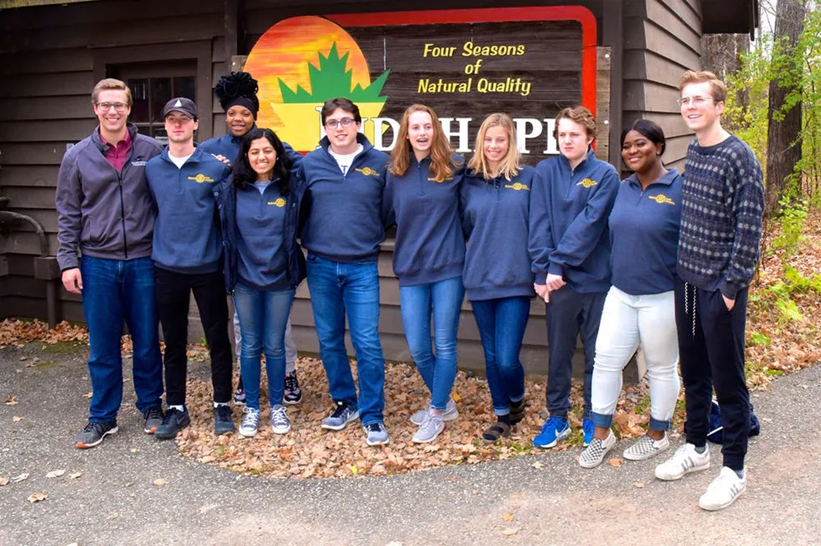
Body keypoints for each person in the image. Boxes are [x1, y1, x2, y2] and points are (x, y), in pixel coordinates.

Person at [654, 71, 764, 512]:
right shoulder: (694, 150)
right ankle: (697, 447)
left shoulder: (740, 157)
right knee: (693, 370)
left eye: (699, 99)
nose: (690, 106)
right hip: (687, 281)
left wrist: (733, 287)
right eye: (685, 100)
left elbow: (750, 227)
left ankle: (734, 469)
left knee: (727, 377)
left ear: (719, 106)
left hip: (721, 288)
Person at [56, 78, 165, 448]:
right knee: (103, 345)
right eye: (106, 105)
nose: (113, 111)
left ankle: (151, 406)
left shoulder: (150, 150)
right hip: (97, 263)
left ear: (129, 108)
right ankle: (103, 416)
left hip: (143, 260)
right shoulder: (78, 156)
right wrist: (68, 261)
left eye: (119, 104)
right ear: (95, 108)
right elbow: (68, 212)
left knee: (148, 340)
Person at [578, 120, 682, 468]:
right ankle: (602, 435)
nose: (632, 151)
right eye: (627, 146)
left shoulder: (679, 187)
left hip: (661, 296)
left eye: (640, 144)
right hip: (620, 294)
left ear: (659, 146)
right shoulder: (622, 189)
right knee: (605, 360)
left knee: (661, 368)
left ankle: (658, 435)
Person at [200, 71, 303, 406]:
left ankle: (286, 372)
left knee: (279, 324)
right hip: (234, 250)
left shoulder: (270, 145)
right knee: (242, 323)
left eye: (245, 113)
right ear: (225, 116)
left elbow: (300, 171)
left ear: (255, 116)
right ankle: (247, 377)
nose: (238, 118)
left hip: (272, 252)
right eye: (232, 113)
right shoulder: (211, 150)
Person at [298, 97, 391, 446]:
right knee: (329, 339)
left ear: (358, 124)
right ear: (325, 128)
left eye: (346, 121)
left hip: (362, 265)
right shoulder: (310, 165)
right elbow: (300, 208)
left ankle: (372, 414)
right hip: (321, 263)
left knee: (367, 341)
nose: (340, 127)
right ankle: (345, 402)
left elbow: (386, 212)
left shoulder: (380, 164)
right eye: (333, 122)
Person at [529, 106, 619, 449]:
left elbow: (590, 224)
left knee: (596, 354)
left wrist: (557, 264)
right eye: (562, 134)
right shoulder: (544, 172)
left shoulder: (605, 174)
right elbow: (538, 222)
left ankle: (592, 417)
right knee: (559, 353)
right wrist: (542, 270)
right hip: (557, 284)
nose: (567, 140)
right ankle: (558, 417)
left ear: (589, 138)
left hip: (595, 280)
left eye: (574, 135)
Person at [145, 97, 235, 439]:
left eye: (185, 119)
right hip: (167, 267)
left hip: (207, 265)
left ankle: (222, 404)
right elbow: (156, 209)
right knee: (174, 339)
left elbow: (224, 215)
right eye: (171, 119)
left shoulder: (215, 167)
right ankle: (177, 407)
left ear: (196, 124)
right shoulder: (153, 168)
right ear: (165, 125)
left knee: (217, 337)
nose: (178, 124)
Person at [384, 104, 465, 443]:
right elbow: (383, 214)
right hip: (411, 268)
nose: (421, 133)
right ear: (405, 133)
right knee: (418, 347)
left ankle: (435, 411)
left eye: (427, 127)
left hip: (448, 268)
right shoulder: (394, 172)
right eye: (414, 127)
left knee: (444, 343)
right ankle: (445, 402)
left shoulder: (456, 167)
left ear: (436, 131)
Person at [219, 128, 305, 437]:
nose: (261, 157)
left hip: (280, 279)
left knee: (276, 343)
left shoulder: (290, 188)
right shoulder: (230, 188)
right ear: (245, 156)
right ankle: (253, 408)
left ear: (277, 153)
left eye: (268, 150)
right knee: (251, 344)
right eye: (254, 151)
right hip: (244, 279)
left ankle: (278, 407)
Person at [460, 113, 538, 442]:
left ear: (510, 143)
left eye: (500, 140)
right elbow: (465, 229)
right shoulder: (468, 181)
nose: (494, 146)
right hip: (480, 278)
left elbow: (540, 226)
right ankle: (502, 415)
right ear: (481, 142)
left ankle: (517, 399)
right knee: (490, 356)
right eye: (488, 140)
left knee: (507, 357)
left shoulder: (529, 178)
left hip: (516, 279)